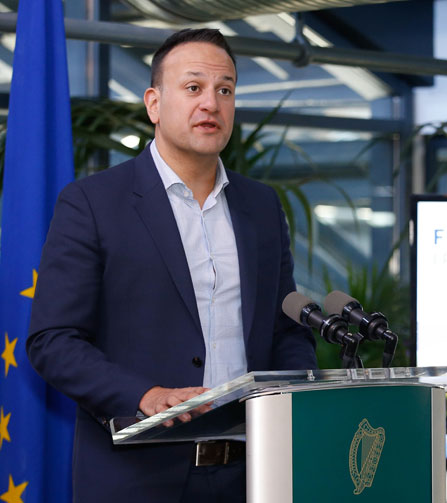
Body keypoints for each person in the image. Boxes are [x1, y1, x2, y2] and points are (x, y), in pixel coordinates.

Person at [26, 29, 316, 503]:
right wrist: (146, 395)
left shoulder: (261, 206)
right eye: (194, 87)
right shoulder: (93, 203)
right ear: (154, 104)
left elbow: (288, 328)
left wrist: (292, 393)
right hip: (137, 477)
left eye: (225, 89)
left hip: (254, 476)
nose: (211, 103)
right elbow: (52, 340)